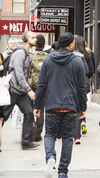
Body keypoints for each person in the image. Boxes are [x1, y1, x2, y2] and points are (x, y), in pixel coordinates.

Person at [34, 32, 88, 178]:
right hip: (70, 106)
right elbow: (82, 88)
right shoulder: (77, 61)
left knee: (50, 134)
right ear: (71, 44)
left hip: (52, 105)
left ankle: (50, 157)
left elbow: (41, 85)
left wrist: (37, 106)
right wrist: (83, 108)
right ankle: (63, 171)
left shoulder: (48, 60)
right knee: (67, 138)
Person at [8, 31, 40, 149]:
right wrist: (29, 90)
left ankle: (26, 142)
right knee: (2, 116)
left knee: (28, 113)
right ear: (25, 40)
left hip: (21, 92)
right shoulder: (20, 53)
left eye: (35, 37)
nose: (35, 39)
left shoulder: (28, 53)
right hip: (13, 90)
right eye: (32, 37)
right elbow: (19, 74)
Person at [28, 34, 50, 143]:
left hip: (31, 86)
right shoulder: (48, 56)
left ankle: (31, 131)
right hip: (44, 86)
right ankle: (38, 133)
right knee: (41, 109)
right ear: (44, 44)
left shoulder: (30, 55)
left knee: (30, 109)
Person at [72, 35, 93, 142]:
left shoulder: (71, 55)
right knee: (81, 104)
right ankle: (82, 121)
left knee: (73, 107)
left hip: (71, 84)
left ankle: (70, 132)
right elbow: (90, 70)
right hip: (82, 83)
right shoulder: (86, 54)